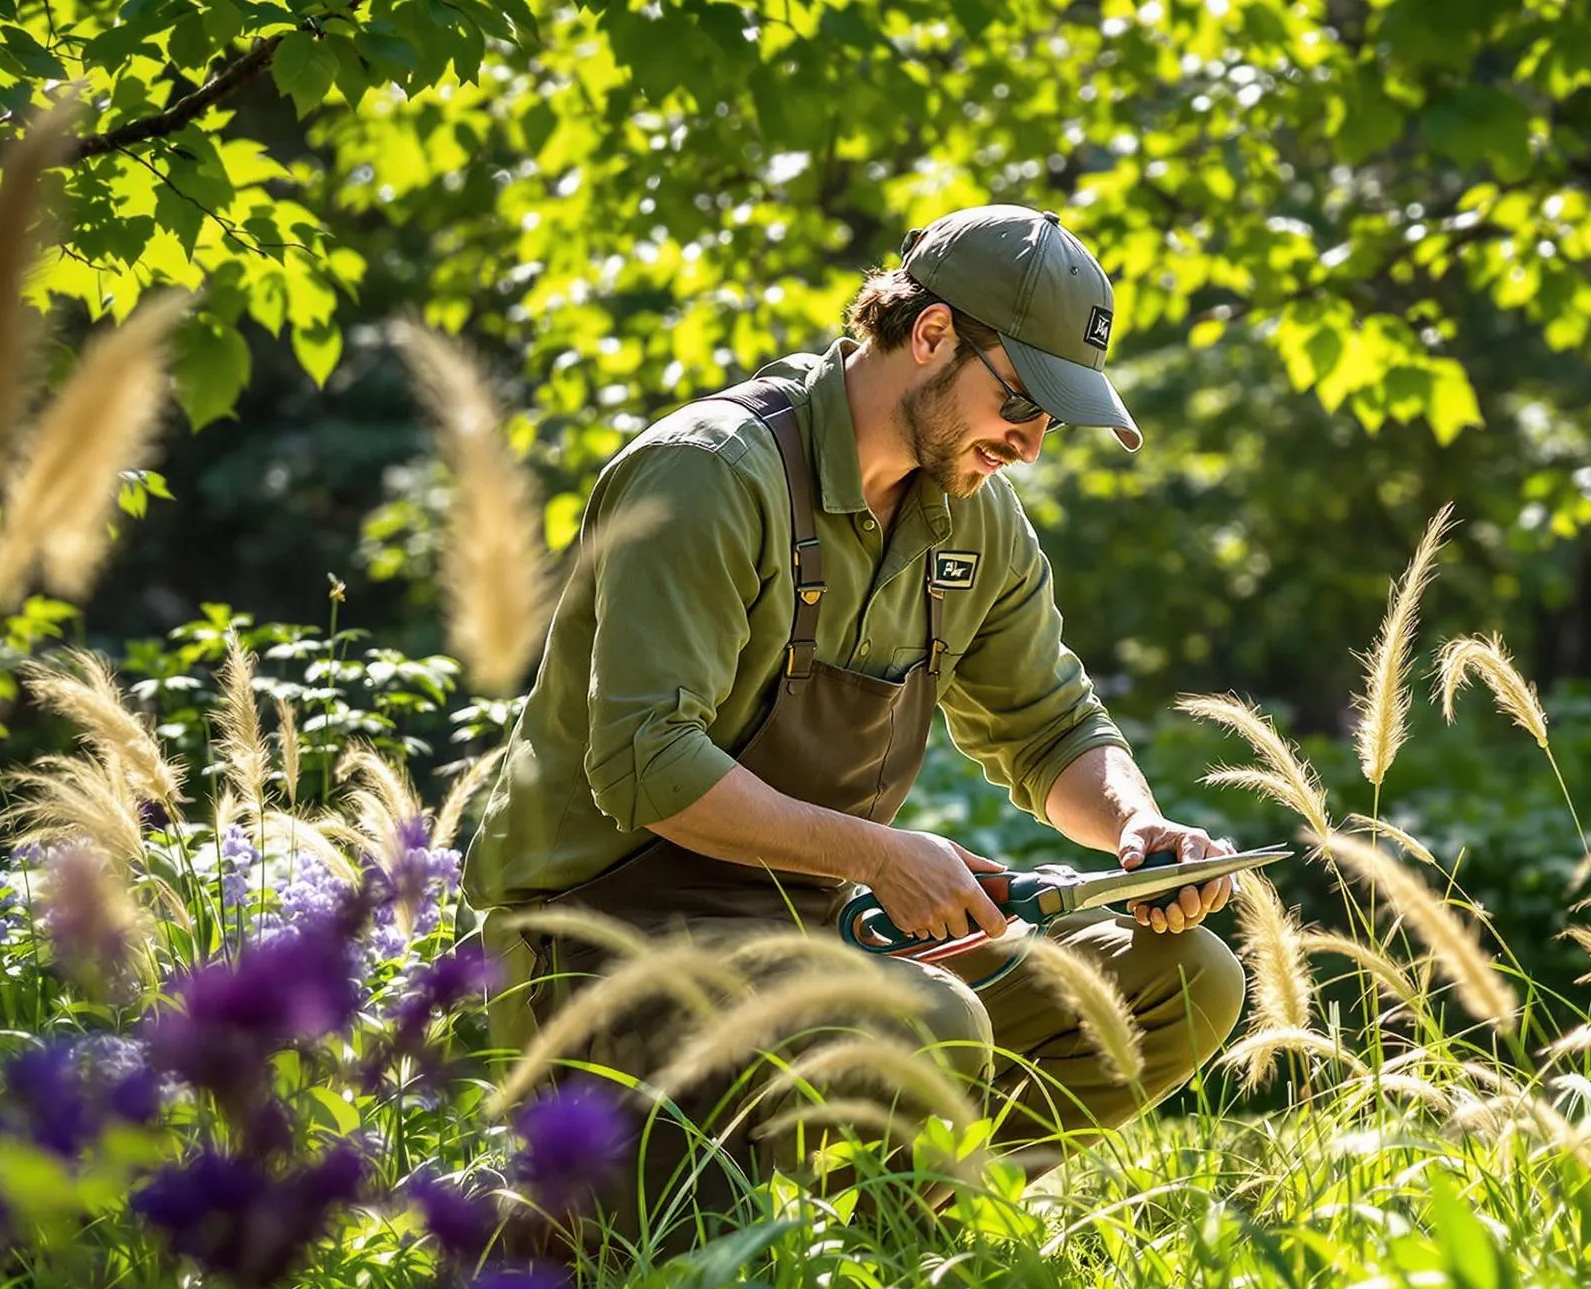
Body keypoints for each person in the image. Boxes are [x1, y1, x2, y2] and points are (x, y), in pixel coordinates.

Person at [459, 204, 1248, 1215]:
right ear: (930, 336)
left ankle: (901, 1249)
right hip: (598, 949)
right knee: (923, 1022)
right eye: (1022, 401)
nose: (1033, 444)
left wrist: (1136, 828)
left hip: (814, 931)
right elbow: (645, 761)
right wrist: (879, 857)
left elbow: (1050, 725)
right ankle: (693, 1248)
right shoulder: (711, 473)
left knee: (1187, 978)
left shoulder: (974, 515)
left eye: (1055, 418)